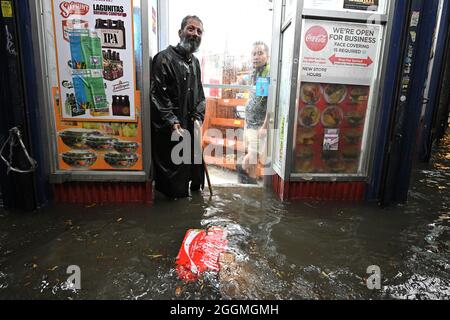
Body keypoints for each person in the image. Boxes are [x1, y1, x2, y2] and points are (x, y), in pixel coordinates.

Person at [151, 15, 206, 198]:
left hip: (191, 126)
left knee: (194, 173)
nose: (195, 34)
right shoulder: (163, 59)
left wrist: (198, 115)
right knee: (174, 183)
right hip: (172, 129)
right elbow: (159, 96)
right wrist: (172, 122)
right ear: (180, 32)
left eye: (199, 31)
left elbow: (199, 94)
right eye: (191, 29)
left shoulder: (195, 63)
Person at [238, 41, 270, 184]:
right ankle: (251, 185)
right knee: (253, 159)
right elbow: (242, 81)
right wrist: (239, 81)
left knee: (251, 157)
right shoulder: (254, 73)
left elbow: (271, 102)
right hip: (249, 123)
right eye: (254, 54)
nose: (256, 57)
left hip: (259, 125)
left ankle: (240, 169)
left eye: (260, 53)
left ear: (267, 56)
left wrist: (265, 126)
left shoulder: (268, 73)